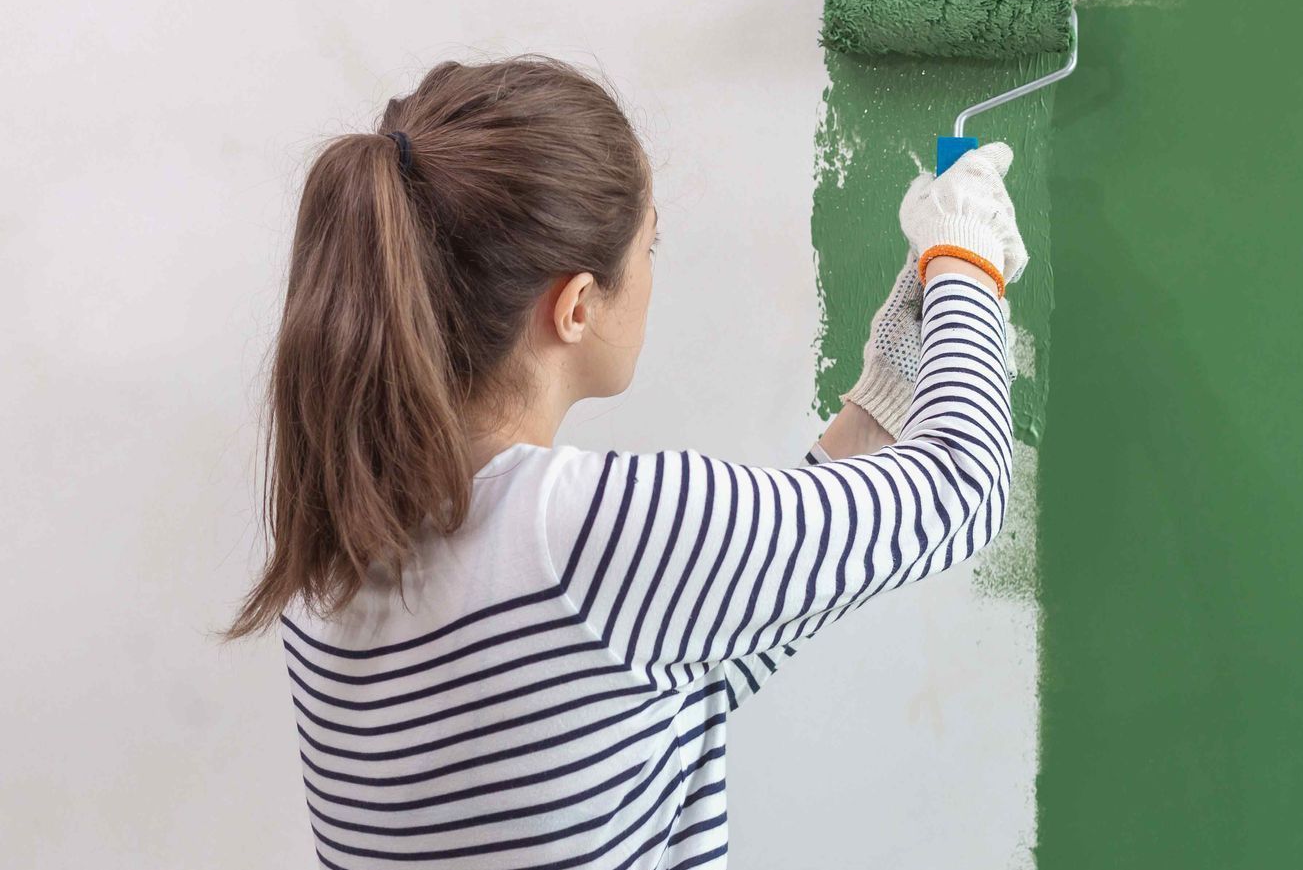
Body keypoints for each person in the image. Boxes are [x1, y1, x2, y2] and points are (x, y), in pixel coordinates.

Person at [222, 55, 1028, 870]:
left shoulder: (331, 563)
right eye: (650, 246)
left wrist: (885, 392)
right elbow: (964, 482)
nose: (652, 272)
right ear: (575, 306)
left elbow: (668, 686)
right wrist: (965, 254)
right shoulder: (581, 531)